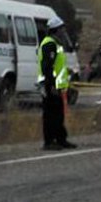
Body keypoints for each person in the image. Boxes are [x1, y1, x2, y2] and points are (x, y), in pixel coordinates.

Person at [38, 17, 77, 151]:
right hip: (50, 85)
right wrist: (52, 85)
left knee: (59, 113)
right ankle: (49, 141)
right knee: (50, 114)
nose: (63, 31)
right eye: (62, 28)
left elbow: (56, 66)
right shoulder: (50, 44)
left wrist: (66, 71)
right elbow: (47, 67)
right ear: (56, 29)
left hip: (57, 85)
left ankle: (61, 139)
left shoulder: (56, 43)